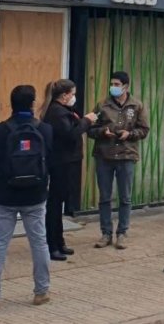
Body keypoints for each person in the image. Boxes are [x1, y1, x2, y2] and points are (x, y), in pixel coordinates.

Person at [0, 85, 54, 309]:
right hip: (35, 193)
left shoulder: (0, 130)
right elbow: (48, 154)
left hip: (5, 194)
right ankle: (41, 292)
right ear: (33, 103)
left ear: (11, 104)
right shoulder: (46, 129)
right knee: (39, 242)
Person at [89, 71, 150, 250]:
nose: (113, 87)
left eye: (117, 84)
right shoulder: (102, 105)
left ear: (126, 86)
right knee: (104, 197)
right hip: (104, 156)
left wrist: (130, 134)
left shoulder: (136, 105)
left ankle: (122, 232)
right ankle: (105, 233)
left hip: (126, 156)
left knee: (125, 197)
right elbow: (90, 128)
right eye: (112, 84)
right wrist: (102, 132)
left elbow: (144, 129)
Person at [40, 79, 98, 261]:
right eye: (72, 94)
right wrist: (87, 121)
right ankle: (52, 245)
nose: (74, 97)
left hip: (68, 162)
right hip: (61, 162)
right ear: (64, 95)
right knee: (55, 204)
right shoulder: (56, 112)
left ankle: (59, 241)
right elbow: (70, 134)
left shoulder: (65, 110)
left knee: (60, 203)